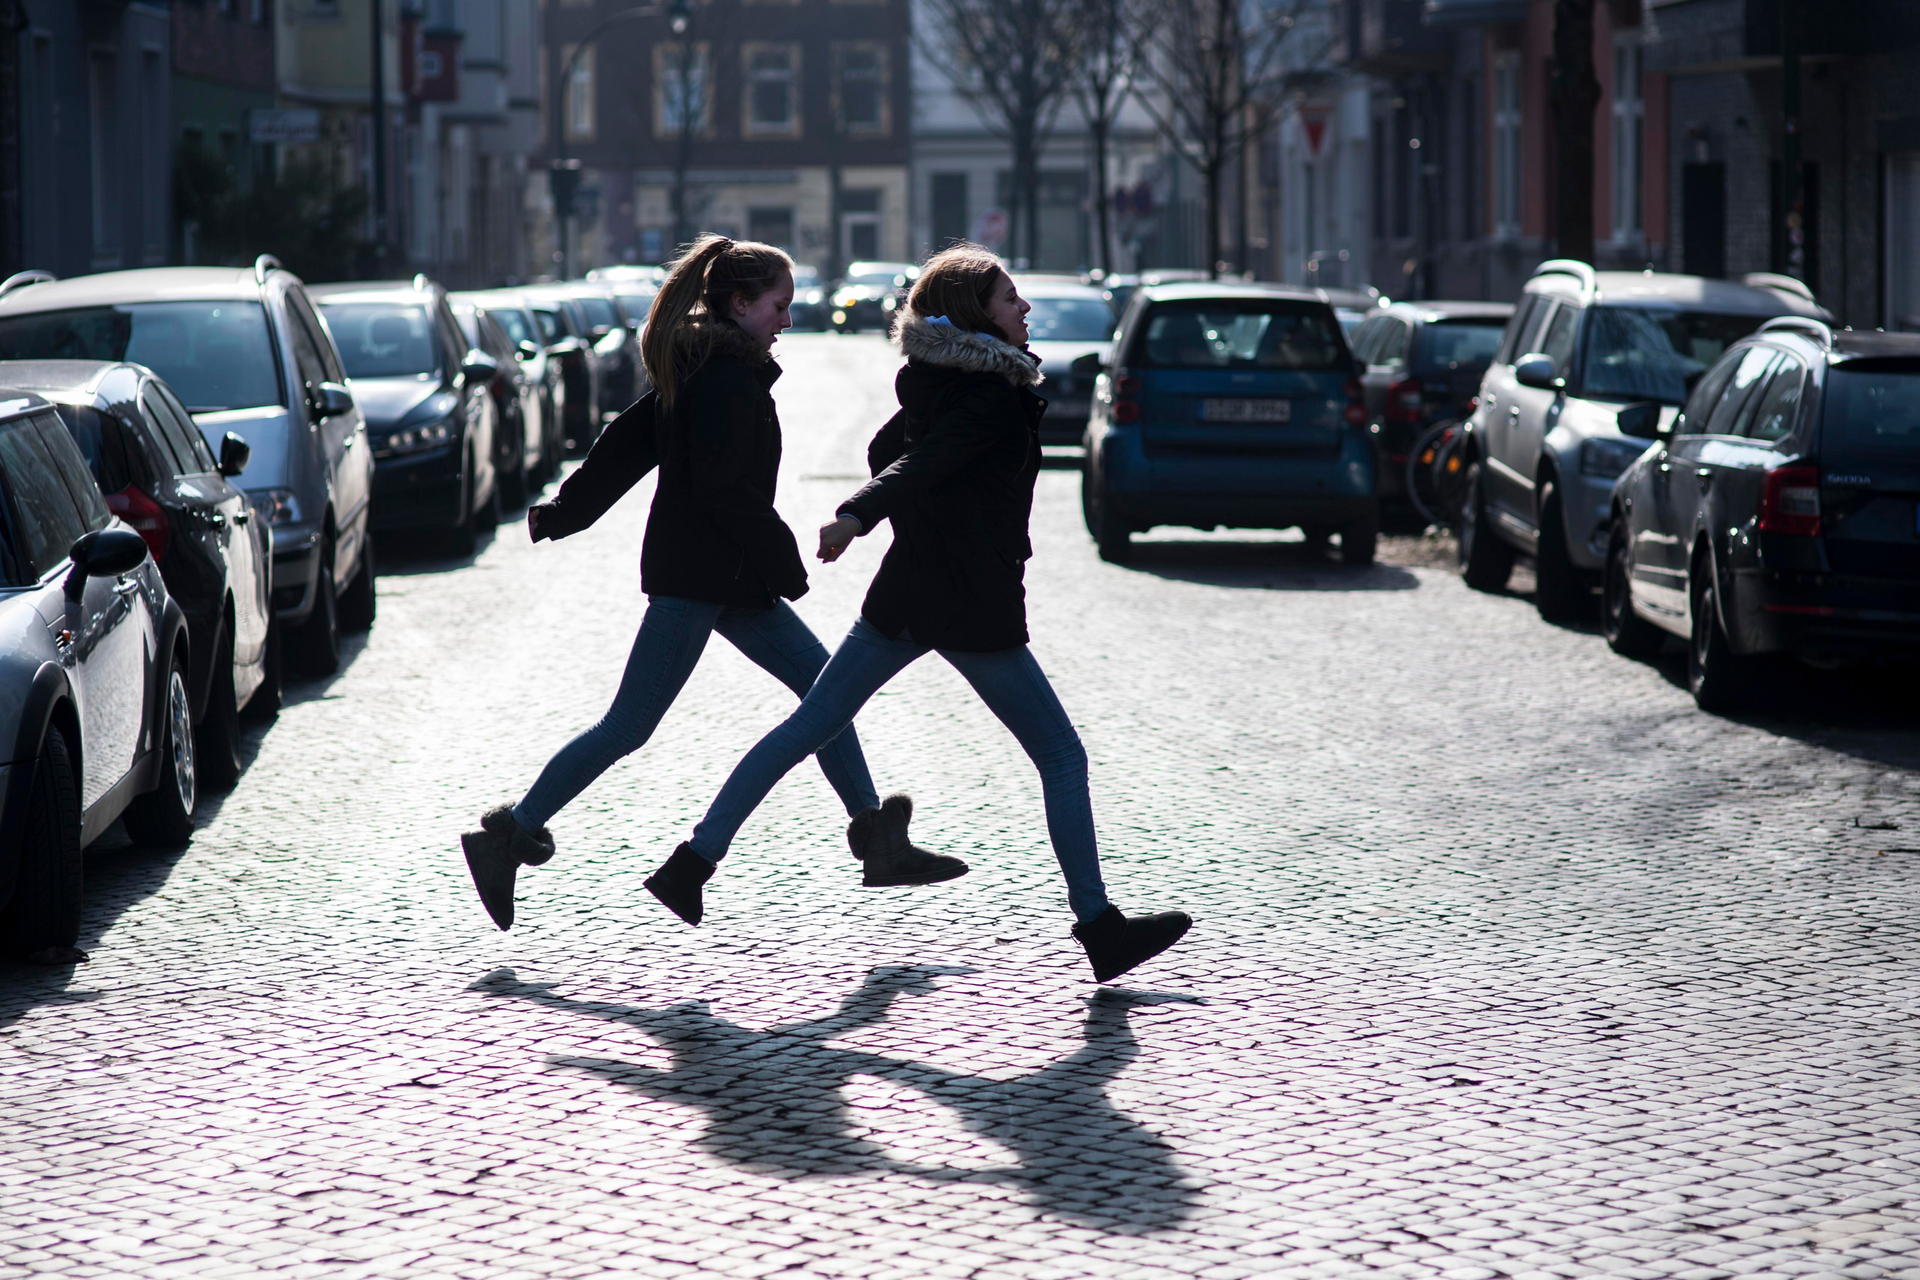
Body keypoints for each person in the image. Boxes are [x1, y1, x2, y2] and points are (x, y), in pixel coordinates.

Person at [645, 243, 1191, 983]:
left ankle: (691, 863)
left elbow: (890, 450)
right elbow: (919, 464)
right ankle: (1099, 926)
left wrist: (898, 508)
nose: (1023, 309)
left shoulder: (936, 381)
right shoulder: (991, 397)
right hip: (969, 600)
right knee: (1062, 756)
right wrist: (859, 515)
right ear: (976, 316)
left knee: (811, 723)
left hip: (907, 591)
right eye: (1009, 299)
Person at [459, 235, 965, 931]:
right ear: (740, 303)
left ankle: (875, 836)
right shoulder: (723, 379)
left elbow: (628, 444)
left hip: (722, 574)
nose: (787, 319)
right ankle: (508, 836)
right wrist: (786, 563)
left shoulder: (709, 367)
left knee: (825, 691)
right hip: (700, 575)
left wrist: (567, 510)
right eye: (779, 306)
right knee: (630, 725)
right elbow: (724, 492)